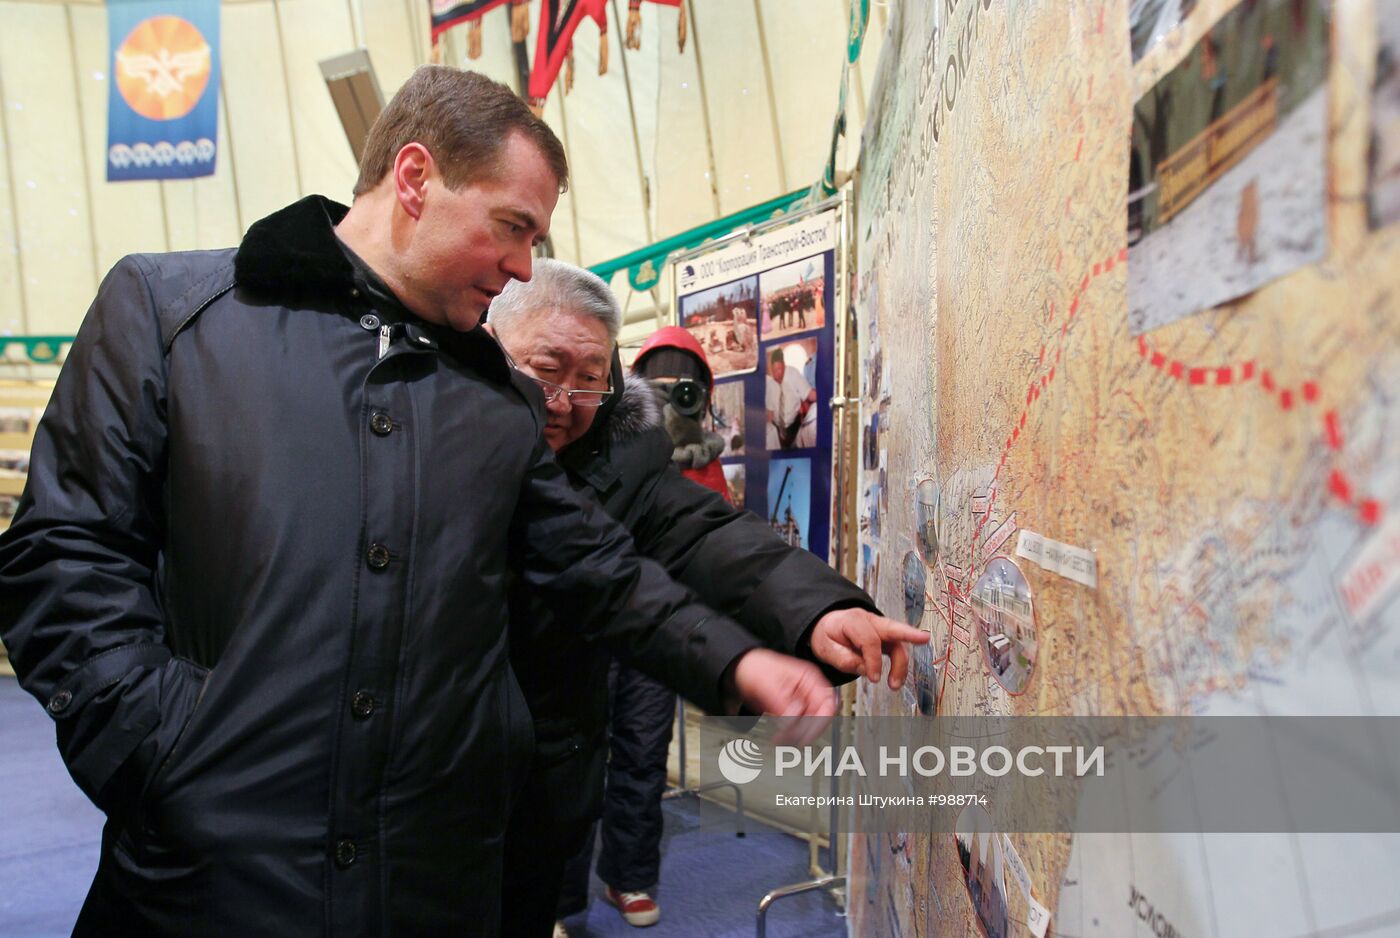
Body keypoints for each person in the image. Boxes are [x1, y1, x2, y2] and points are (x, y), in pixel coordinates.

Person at [0, 66, 837, 937]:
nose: (522, 269)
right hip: (207, 884)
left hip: (436, 883)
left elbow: (596, 567)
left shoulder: (495, 398)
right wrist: (157, 751)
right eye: (513, 228)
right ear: (413, 178)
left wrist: (740, 663)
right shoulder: (172, 313)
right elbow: (65, 552)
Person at [484, 261, 927, 936]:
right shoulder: (436, 435)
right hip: (432, 778)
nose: (564, 400)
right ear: (491, 344)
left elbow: (711, 537)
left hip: (548, 763)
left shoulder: (625, 452)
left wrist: (822, 611)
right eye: (545, 370)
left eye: (590, 377)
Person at [766, 346, 819, 449]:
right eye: (774, 370)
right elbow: (770, 413)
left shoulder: (793, 374)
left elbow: (810, 395)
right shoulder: (769, 382)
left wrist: (825, 396)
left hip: (793, 426)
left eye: (779, 369)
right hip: (777, 428)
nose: (777, 374)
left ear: (784, 365)